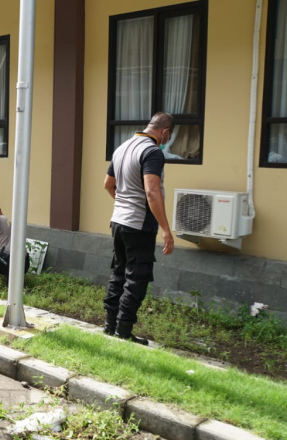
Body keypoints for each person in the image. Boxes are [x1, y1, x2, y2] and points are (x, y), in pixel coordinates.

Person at [103, 112, 175, 345]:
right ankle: (123, 331)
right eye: (169, 135)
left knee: (118, 272)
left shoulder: (122, 147)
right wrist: (166, 229)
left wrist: (124, 203)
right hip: (139, 225)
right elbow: (152, 191)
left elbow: (108, 184)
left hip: (118, 221)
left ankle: (109, 326)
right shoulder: (152, 151)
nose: (167, 140)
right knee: (137, 277)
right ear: (164, 132)